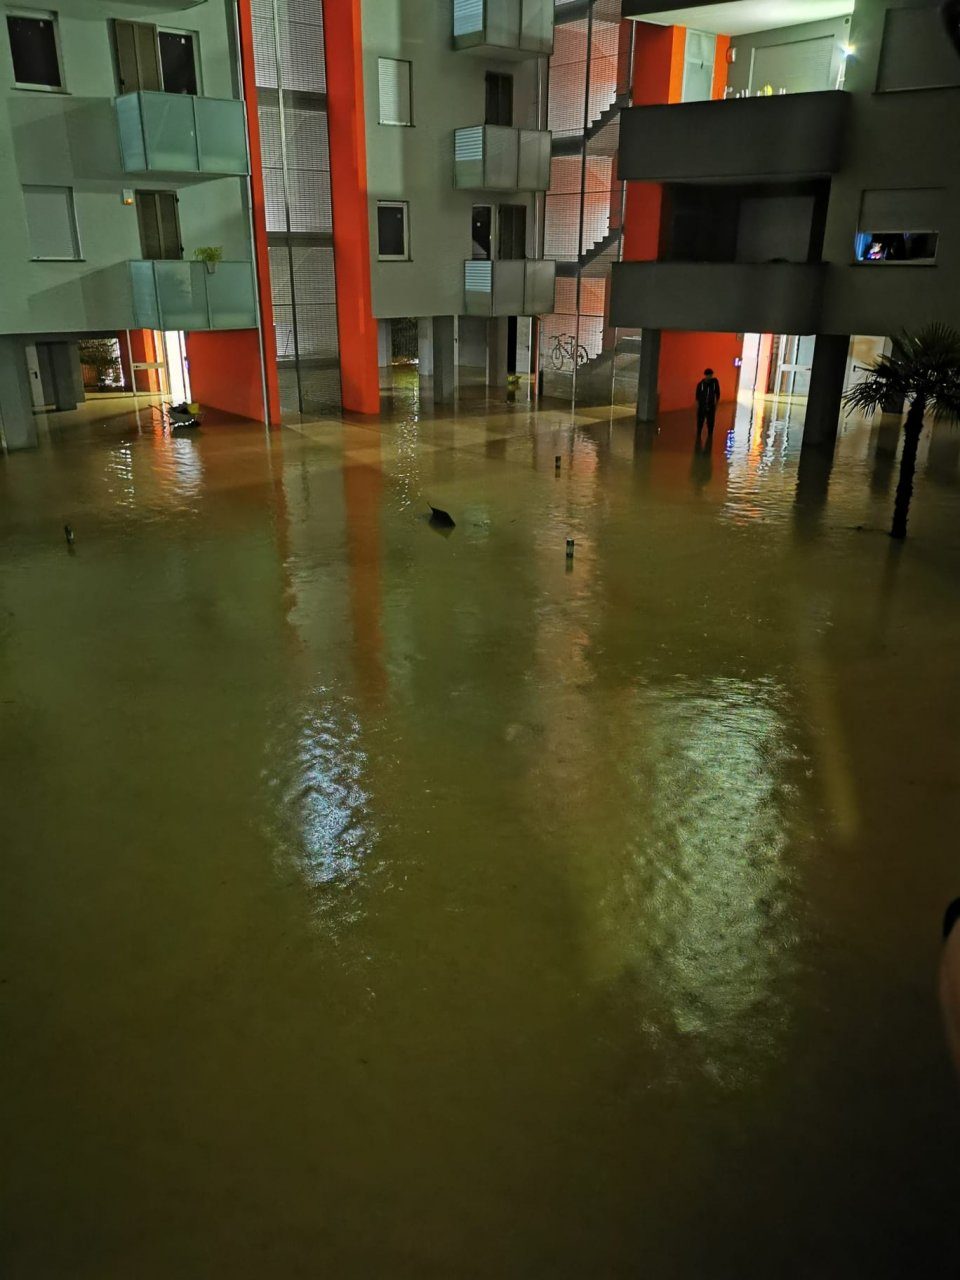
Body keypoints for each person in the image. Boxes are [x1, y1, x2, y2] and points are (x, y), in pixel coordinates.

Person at [695, 368, 721, 435]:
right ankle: (698, 434)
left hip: (711, 406)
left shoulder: (715, 383)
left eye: (711, 375)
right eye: (708, 375)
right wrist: (698, 406)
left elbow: (718, 393)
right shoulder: (700, 384)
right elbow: (697, 396)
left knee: (711, 422)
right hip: (702, 406)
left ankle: (710, 435)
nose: (710, 377)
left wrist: (716, 403)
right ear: (705, 375)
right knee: (700, 422)